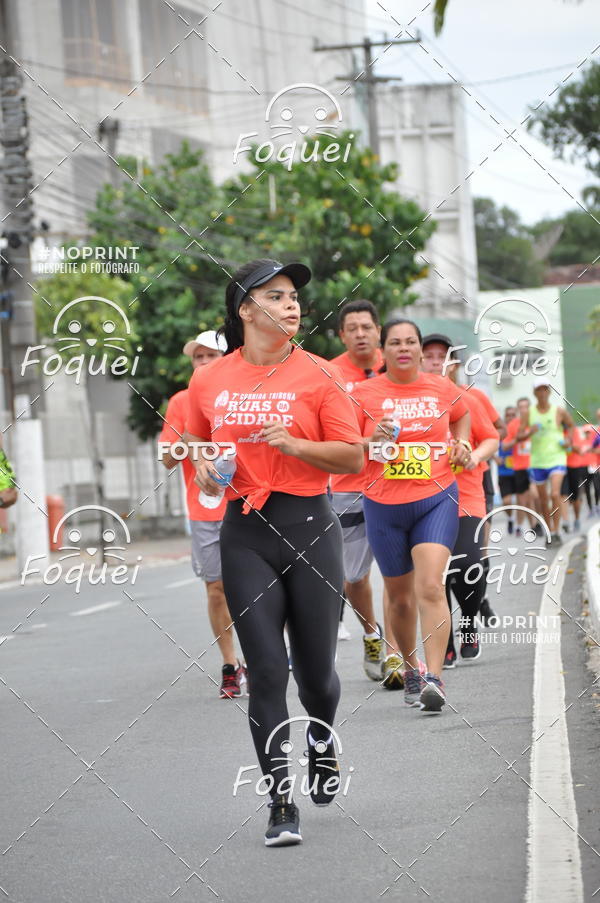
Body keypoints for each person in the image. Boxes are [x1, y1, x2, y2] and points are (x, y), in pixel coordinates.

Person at [185, 259, 363, 846]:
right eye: (276, 296)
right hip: (245, 533)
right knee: (265, 672)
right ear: (244, 309)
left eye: (294, 298)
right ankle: (280, 804)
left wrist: (295, 443)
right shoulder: (209, 381)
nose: (292, 306)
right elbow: (202, 454)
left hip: (311, 525)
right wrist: (207, 471)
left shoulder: (319, 375)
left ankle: (321, 741)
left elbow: (354, 458)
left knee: (315, 677)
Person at [353, 319, 471, 713]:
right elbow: (345, 443)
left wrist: (463, 442)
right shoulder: (362, 394)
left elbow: (462, 414)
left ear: (421, 350)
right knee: (400, 599)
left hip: (436, 496)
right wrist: (371, 441)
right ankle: (409, 666)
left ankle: (434, 677)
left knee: (431, 586)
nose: (403, 348)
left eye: (411, 342)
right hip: (383, 505)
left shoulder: (442, 388)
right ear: (381, 351)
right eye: (395, 342)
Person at [159, 331, 246, 699]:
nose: (203, 363)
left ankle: (265, 653)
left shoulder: (242, 395)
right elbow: (166, 457)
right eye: (198, 357)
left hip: (247, 503)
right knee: (216, 589)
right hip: (205, 508)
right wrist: (191, 442)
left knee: (257, 588)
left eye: (211, 356)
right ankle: (230, 664)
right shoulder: (181, 401)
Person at [420, 335, 499, 667]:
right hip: (422, 499)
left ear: (454, 365)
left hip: (466, 495)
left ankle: (468, 624)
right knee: (435, 576)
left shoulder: (469, 398)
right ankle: (446, 639)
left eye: (444, 357)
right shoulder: (411, 402)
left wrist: (473, 456)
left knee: (469, 565)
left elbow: (493, 438)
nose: (437, 361)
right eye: (430, 356)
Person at [329, 299, 388, 682]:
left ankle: (401, 655)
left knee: (403, 575)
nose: (361, 334)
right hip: (349, 485)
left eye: (367, 327)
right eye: (352, 328)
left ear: (378, 330)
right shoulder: (330, 374)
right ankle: (371, 634)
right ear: (342, 335)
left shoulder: (399, 362)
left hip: (398, 482)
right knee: (353, 578)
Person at [519, 378, 574, 544]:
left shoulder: (559, 411)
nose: (542, 393)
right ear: (534, 393)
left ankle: (556, 530)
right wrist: (530, 432)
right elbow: (519, 435)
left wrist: (568, 440)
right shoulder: (529, 413)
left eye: (545, 389)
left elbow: (570, 426)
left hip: (557, 457)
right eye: (539, 390)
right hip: (538, 461)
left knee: (555, 493)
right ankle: (550, 530)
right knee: (543, 499)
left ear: (549, 392)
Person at [561, 423, 590, 532]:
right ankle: (565, 521)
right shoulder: (557, 432)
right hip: (561, 466)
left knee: (575, 497)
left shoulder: (574, 431)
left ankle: (576, 519)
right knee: (562, 494)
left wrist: (568, 444)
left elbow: (579, 449)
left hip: (574, 466)